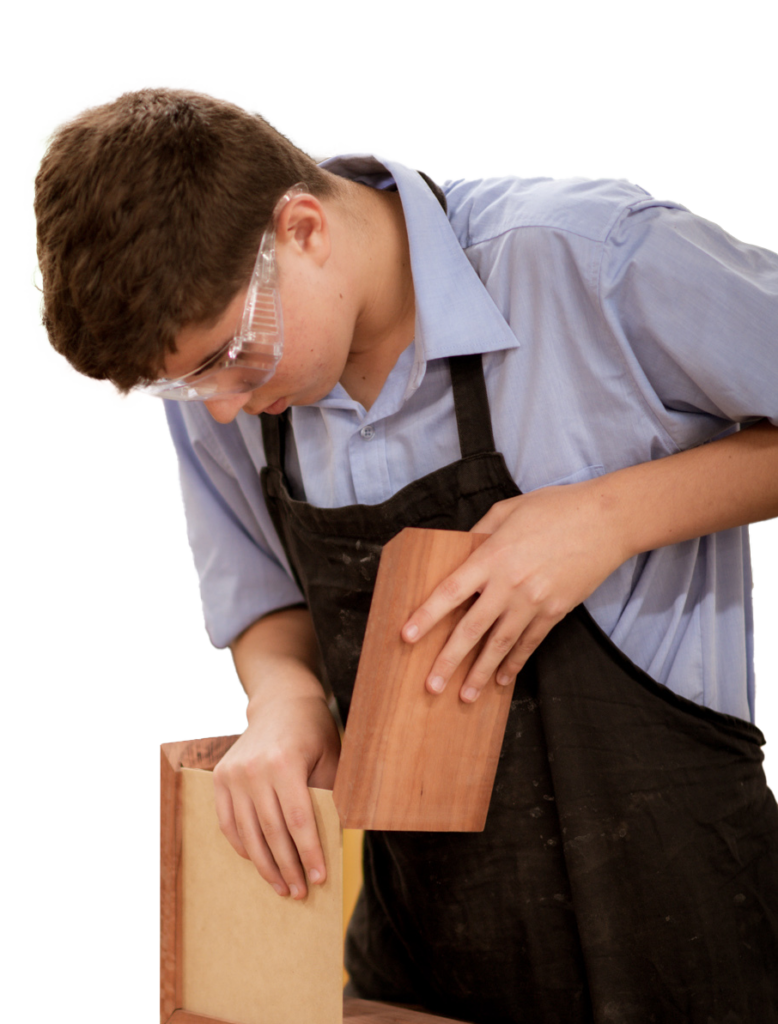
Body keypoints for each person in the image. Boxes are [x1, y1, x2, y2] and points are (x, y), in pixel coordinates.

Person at [34, 85, 778, 1024]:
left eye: (229, 357)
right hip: (421, 962)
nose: (217, 407)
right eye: (182, 387)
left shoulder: (590, 259)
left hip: (693, 930)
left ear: (301, 228)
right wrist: (285, 697)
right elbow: (258, 592)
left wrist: (609, 517)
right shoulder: (222, 393)